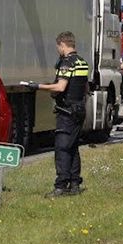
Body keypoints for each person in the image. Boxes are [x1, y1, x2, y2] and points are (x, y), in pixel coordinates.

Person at [23, 31, 90, 198]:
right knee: (73, 147)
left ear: (62, 45)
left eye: (58, 47)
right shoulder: (82, 62)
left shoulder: (67, 63)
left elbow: (60, 87)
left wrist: (37, 86)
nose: (58, 50)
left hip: (67, 112)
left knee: (61, 149)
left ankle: (60, 186)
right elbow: (85, 88)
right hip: (79, 109)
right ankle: (75, 184)